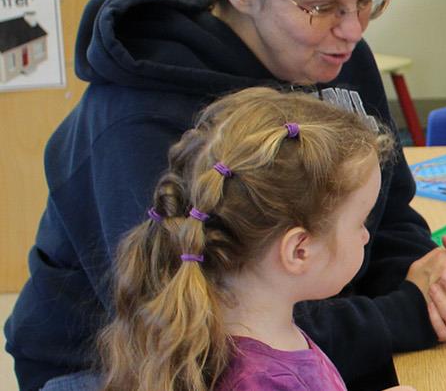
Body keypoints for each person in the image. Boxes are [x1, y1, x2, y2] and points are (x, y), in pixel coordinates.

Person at [5, 0, 446, 390]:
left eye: (366, 0)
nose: (353, 30)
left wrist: (429, 279)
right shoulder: (135, 117)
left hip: (312, 337)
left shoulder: (336, 52)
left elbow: (384, 208)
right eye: (323, 7)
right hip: (133, 368)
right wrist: (407, 312)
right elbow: (200, 330)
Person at [97, 89, 413, 391]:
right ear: (299, 251)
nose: (366, 235)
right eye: (361, 221)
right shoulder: (264, 381)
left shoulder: (259, 333)